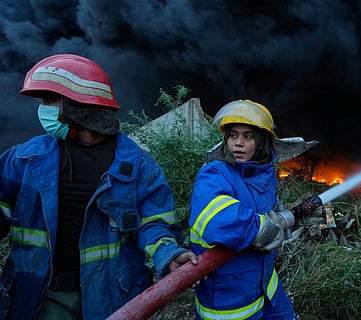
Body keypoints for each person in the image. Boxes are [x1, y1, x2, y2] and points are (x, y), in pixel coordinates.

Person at [0, 54, 197, 319]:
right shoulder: (24, 159)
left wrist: (169, 254)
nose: (43, 109)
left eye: (50, 100)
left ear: (79, 105)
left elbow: (153, 223)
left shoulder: (137, 165)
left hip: (112, 298)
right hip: (39, 298)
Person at [189, 99, 297, 320]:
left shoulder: (264, 175)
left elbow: (271, 217)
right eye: (233, 135)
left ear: (261, 142)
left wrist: (296, 218)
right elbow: (217, 220)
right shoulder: (214, 174)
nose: (238, 143)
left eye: (248, 137)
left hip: (265, 285)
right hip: (229, 298)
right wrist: (261, 228)